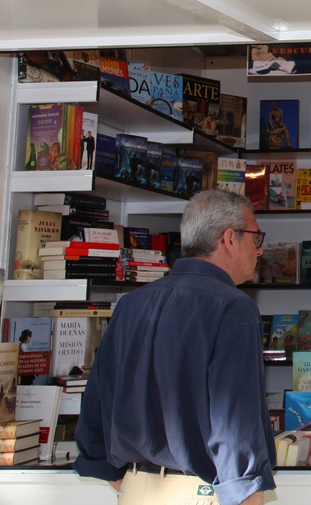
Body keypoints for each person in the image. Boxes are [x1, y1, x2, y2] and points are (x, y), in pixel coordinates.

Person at [74, 190, 274, 505]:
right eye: (255, 238)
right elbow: (235, 419)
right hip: (204, 492)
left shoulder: (129, 305)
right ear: (228, 239)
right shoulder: (233, 307)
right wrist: (245, 493)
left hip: (136, 488)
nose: (259, 250)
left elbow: (96, 406)